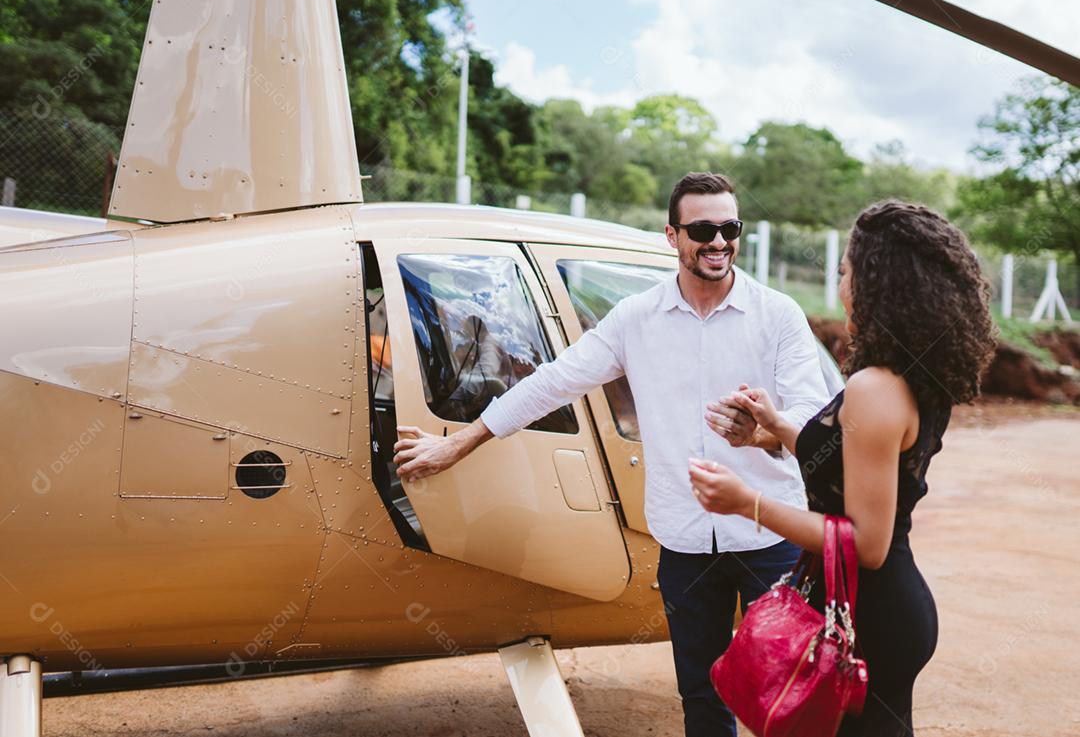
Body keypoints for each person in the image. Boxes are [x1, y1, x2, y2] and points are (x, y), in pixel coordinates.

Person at [393, 171, 830, 737]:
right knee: (702, 692)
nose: (719, 241)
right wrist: (458, 444)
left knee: (792, 689)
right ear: (672, 236)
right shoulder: (635, 319)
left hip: (769, 534)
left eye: (730, 228)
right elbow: (552, 383)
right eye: (703, 229)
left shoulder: (779, 316)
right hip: (686, 541)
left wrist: (765, 432)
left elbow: (812, 422)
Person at [689, 201, 996, 736]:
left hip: (870, 619)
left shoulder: (874, 387)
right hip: (882, 607)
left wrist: (747, 503)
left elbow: (866, 543)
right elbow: (858, 460)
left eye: (845, 270)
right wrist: (778, 428)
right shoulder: (915, 373)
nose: (840, 282)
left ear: (877, 283)